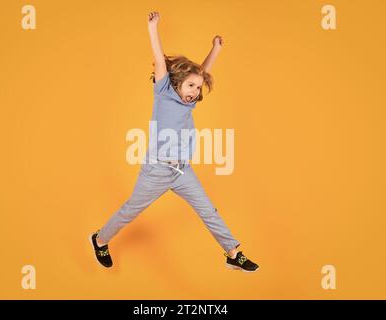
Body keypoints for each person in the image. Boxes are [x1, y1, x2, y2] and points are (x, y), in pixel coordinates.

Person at [89, 12, 259, 272]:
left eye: (198, 88)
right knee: (129, 211)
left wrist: (215, 49)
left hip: (182, 170)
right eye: (191, 86)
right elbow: (159, 60)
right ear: (177, 82)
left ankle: (233, 253)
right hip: (156, 170)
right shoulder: (164, 92)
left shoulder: (188, 103)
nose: (195, 92)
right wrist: (152, 29)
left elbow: (202, 73)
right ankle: (100, 240)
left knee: (208, 211)